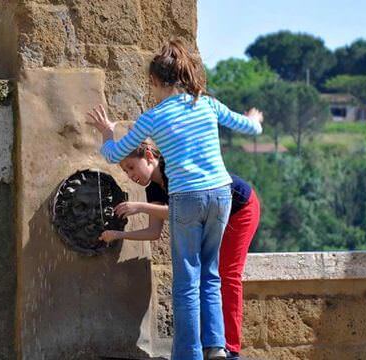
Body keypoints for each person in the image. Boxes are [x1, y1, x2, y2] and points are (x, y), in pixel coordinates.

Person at [87, 39, 263, 360]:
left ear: (155, 81)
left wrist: (106, 133)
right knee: (211, 275)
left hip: (187, 198)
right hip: (221, 194)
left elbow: (114, 153)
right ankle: (216, 349)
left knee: (187, 281)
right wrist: (255, 119)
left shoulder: (153, 117)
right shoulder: (206, 103)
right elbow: (248, 126)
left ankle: (188, 355)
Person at [100, 142, 260, 360]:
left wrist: (140, 207)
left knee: (226, 274)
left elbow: (187, 207)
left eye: (131, 167)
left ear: (148, 156)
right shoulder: (153, 189)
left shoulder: (174, 168)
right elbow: (153, 231)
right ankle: (209, 345)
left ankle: (229, 348)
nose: (130, 175)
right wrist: (119, 235)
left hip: (239, 209)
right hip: (212, 216)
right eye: (125, 171)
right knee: (203, 276)